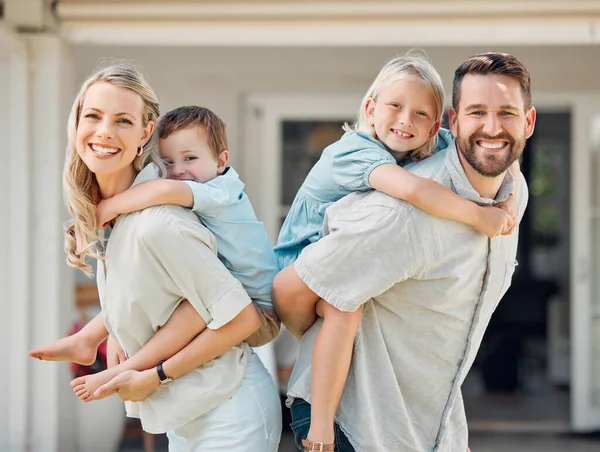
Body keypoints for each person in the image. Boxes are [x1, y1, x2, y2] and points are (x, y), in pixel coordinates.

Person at [273, 51, 534, 452]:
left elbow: (507, 167)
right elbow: (292, 291)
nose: (493, 127)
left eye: (507, 114)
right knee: (344, 304)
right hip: (356, 423)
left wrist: (510, 205)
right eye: (478, 111)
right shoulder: (397, 209)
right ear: (455, 120)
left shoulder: (501, 184)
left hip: (426, 424)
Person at [33, 62, 281, 450]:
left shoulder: (159, 221)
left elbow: (240, 317)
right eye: (93, 115)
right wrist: (113, 329)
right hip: (189, 413)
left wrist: (154, 374)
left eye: (123, 121)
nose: (104, 131)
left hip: (228, 411)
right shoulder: (122, 218)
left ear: (145, 133)